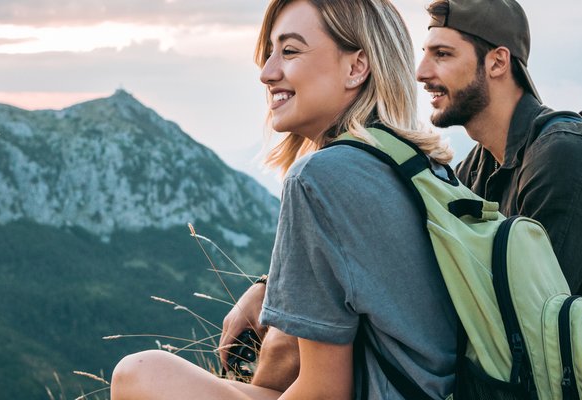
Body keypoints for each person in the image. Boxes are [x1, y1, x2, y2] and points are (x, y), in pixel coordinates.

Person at [111, 0, 459, 399]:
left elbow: (323, 394)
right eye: (269, 53)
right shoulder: (418, 166)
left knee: (140, 373)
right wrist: (268, 285)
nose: (267, 73)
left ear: (356, 67)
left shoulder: (320, 176)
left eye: (289, 51)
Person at [416, 0, 582, 309]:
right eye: (425, 54)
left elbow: (532, 312)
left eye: (442, 54)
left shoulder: (566, 155)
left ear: (498, 62)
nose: (421, 72)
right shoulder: (478, 166)